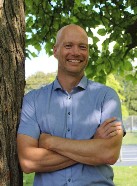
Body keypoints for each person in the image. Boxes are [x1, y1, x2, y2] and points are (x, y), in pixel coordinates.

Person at [17, 24, 125, 186]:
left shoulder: (106, 97)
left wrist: (50, 142)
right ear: (55, 51)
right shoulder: (33, 100)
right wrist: (92, 144)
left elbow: (109, 153)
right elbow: (28, 162)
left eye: (82, 47)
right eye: (68, 46)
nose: (76, 52)